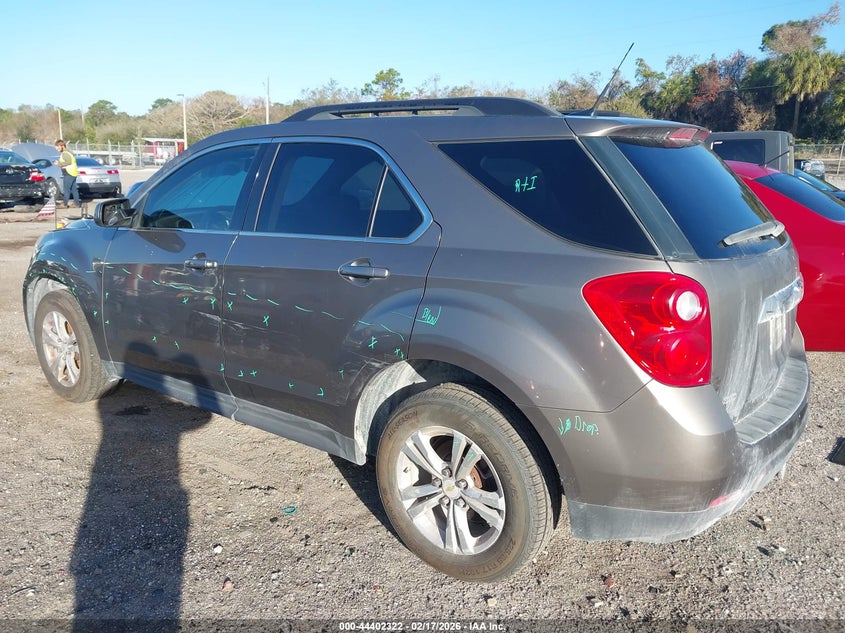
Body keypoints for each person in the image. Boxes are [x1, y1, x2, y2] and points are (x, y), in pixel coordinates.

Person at [55, 139, 81, 208]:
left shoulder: (65, 153)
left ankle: (64, 204)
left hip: (68, 173)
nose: (57, 148)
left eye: (58, 147)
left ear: (62, 146)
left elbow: (68, 162)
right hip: (73, 172)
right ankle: (77, 203)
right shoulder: (69, 152)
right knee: (74, 189)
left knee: (66, 189)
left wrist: (58, 163)